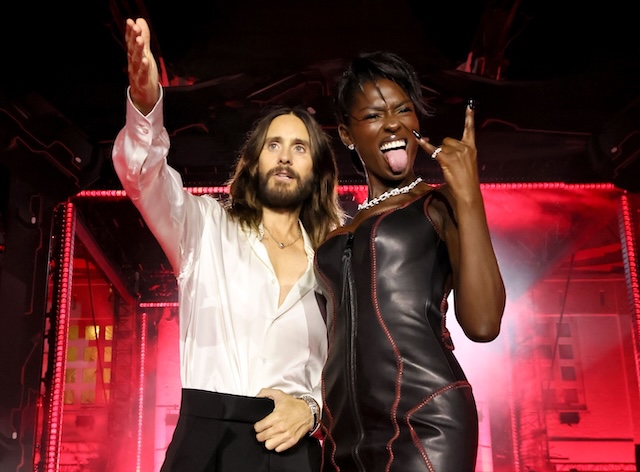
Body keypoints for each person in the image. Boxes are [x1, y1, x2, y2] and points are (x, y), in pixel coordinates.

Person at [112, 17, 344, 472]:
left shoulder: (335, 258)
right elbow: (144, 177)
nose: (285, 155)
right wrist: (145, 104)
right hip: (206, 444)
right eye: (273, 145)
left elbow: (350, 364)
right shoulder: (204, 226)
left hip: (292, 450)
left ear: (317, 170)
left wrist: (313, 410)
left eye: (299, 148)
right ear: (254, 162)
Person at [314, 51, 506, 471]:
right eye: (373, 115)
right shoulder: (334, 235)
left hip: (427, 420)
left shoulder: (438, 205)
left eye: (404, 110)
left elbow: (484, 324)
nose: (393, 124)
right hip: (341, 436)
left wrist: (468, 193)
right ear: (346, 133)